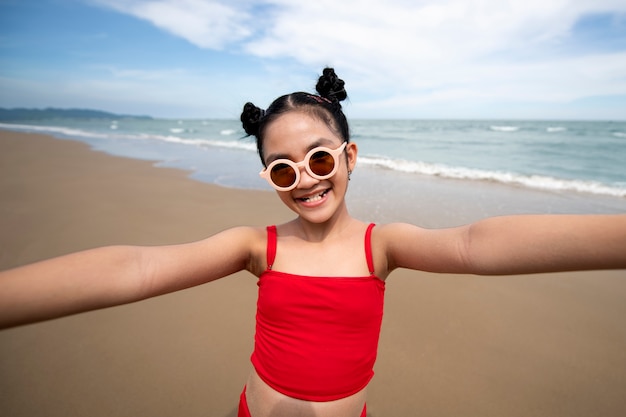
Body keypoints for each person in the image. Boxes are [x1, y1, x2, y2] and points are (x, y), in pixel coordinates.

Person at [0, 68, 625, 417]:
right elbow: (136, 268)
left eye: (318, 158)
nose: (305, 179)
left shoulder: (383, 247)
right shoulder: (257, 246)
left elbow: (474, 244)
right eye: (282, 168)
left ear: (348, 156)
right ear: (268, 176)